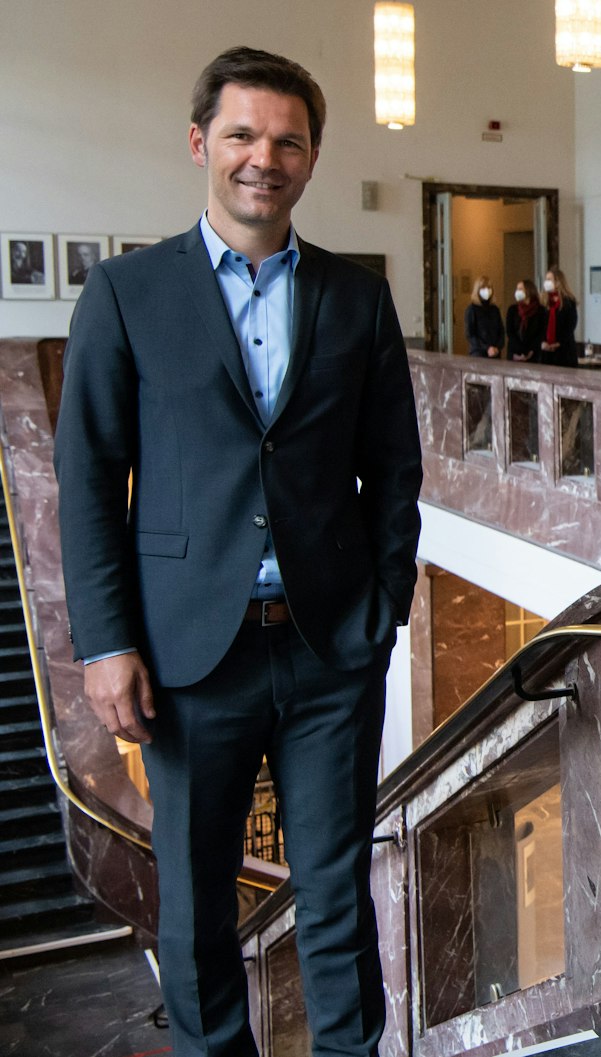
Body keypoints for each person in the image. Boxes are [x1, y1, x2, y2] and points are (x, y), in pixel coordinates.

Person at [55, 46, 422, 1057]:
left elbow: (394, 467)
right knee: (197, 907)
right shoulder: (126, 295)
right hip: (184, 657)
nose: (266, 157)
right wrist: (104, 641)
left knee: (337, 896)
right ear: (199, 145)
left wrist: (382, 605)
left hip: (325, 650)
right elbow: (85, 479)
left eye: (288, 140)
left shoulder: (356, 299)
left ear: (311, 157)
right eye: (243, 136)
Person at [540, 266, 578, 366]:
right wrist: (543, 342)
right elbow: (539, 325)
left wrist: (559, 342)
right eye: (546, 279)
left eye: (549, 279)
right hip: (546, 353)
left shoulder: (568, 302)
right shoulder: (543, 302)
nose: (546, 282)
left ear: (558, 282)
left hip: (564, 352)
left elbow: (570, 325)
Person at [463, 273, 504, 358]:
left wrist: (497, 348)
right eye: (483, 288)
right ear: (477, 290)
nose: (487, 290)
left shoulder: (495, 309)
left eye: (489, 288)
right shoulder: (472, 310)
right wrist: (487, 348)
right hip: (478, 354)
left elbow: (501, 331)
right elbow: (470, 334)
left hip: (495, 354)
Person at [507, 278, 546, 362]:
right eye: (517, 289)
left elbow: (541, 332)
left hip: (534, 354)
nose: (517, 291)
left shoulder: (540, 310)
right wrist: (520, 350)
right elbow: (510, 332)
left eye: (520, 289)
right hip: (515, 354)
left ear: (529, 291)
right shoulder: (512, 310)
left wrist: (530, 350)